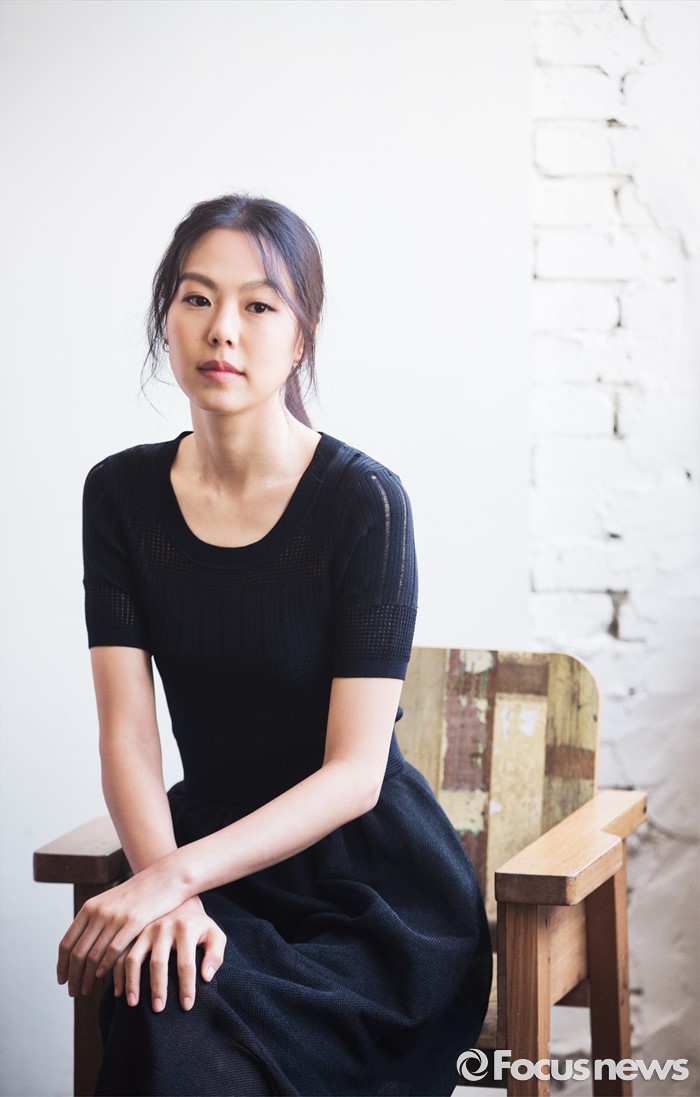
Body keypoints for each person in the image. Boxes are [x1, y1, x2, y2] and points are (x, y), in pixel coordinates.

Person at [56, 194, 492, 1097]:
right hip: (211, 865)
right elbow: (128, 734)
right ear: (166, 318)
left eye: (259, 305)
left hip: (371, 895)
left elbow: (355, 773)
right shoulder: (120, 496)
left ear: (301, 338)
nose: (223, 329)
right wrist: (172, 888)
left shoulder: (364, 501)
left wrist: (167, 880)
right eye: (196, 298)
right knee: (166, 995)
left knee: (189, 1013)